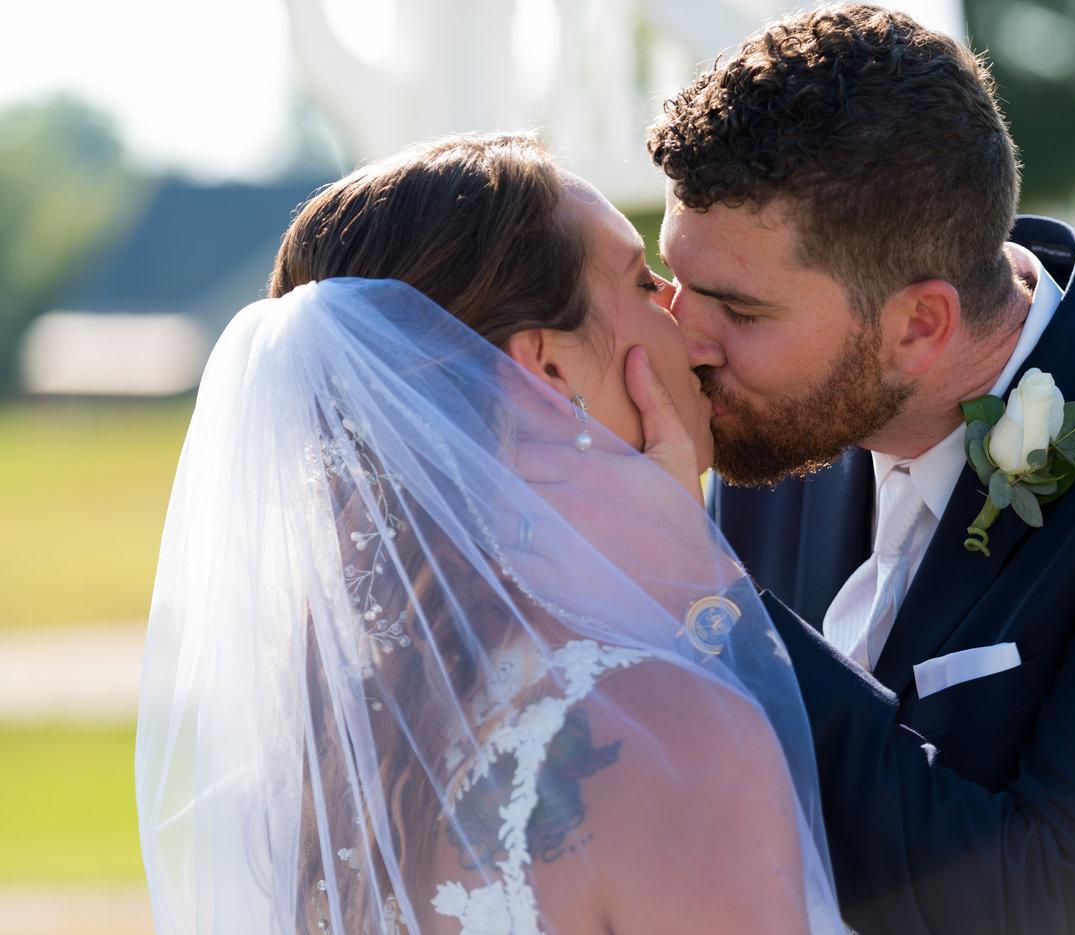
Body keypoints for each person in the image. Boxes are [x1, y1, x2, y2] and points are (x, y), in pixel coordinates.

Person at [643, 4, 1075, 933]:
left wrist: (699, 589)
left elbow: (1063, 905)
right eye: (674, 280)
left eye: (738, 311)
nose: (683, 340)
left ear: (919, 325)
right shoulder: (771, 427)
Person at [134, 133, 845, 934]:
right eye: (644, 281)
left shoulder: (309, 767)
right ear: (547, 372)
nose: (684, 316)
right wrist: (684, 569)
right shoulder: (674, 737)